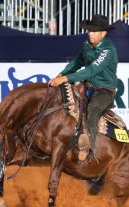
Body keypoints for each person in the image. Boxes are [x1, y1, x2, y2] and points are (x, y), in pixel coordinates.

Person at [49, 14, 118, 160]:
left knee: (93, 109)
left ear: (103, 33)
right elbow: (77, 62)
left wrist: (65, 78)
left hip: (104, 90)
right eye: (89, 30)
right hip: (87, 85)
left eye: (93, 31)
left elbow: (90, 70)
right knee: (65, 101)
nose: (89, 33)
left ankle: (88, 149)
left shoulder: (108, 51)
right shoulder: (87, 45)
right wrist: (61, 74)